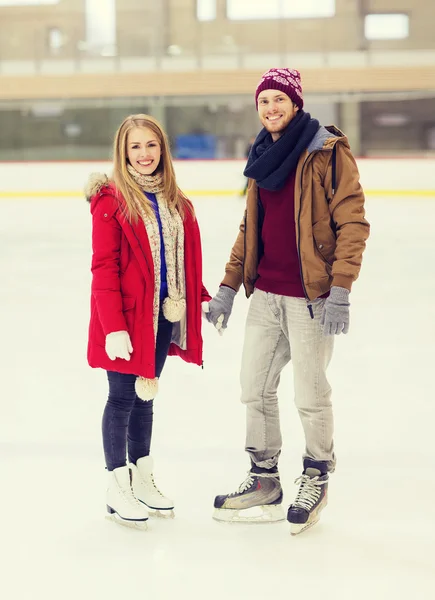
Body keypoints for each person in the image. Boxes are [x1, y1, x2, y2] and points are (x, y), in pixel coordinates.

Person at [204, 68, 370, 534]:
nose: (271, 108)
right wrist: (227, 288)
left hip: (310, 299)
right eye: (264, 102)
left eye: (279, 100)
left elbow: (352, 224)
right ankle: (264, 479)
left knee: (311, 395)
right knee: (253, 389)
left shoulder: (326, 152)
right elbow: (249, 230)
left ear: (295, 103)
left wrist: (340, 289)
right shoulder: (263, 156)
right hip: (267, 296)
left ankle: (316, 474)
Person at [85, 114, 210, 529]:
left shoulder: (175, 200)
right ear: (123, 151)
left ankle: (142, 478)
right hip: (124, 320)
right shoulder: (111, 199)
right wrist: (113, 326)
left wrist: (200, 301)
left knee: (146, 396)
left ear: (163, 149)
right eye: (135, 146)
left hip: (161, 317)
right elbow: (103, 266)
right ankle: (115, 483)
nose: (144, 154)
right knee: (121, 398)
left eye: (151, 145)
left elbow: (185, 260)